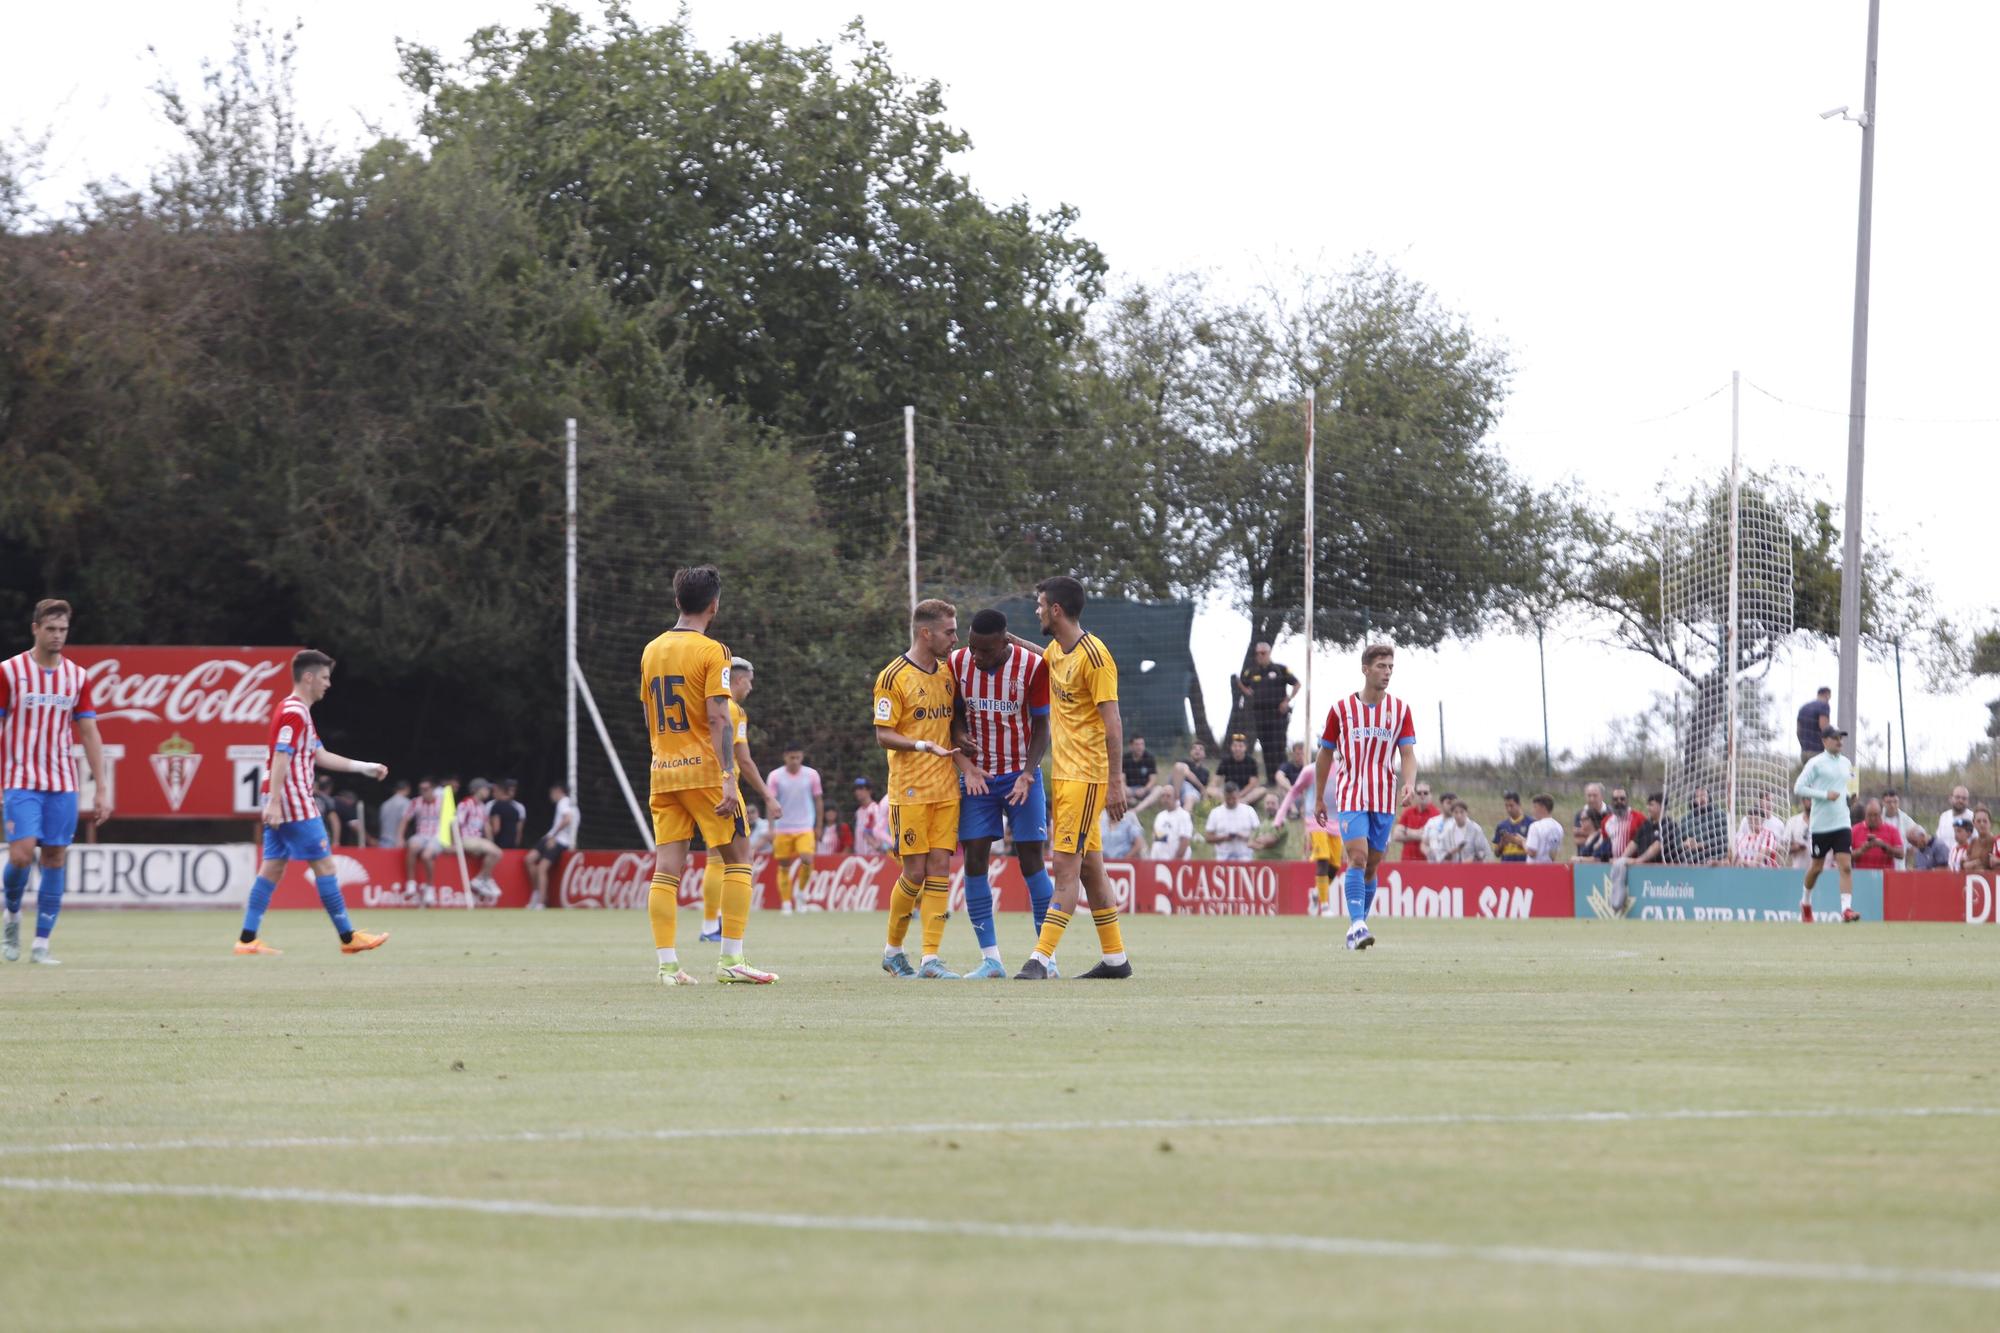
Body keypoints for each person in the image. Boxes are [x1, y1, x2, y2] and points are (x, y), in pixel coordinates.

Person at [639, 565, 775, 985]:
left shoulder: (651, 650)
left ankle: (667, 966)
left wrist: (666, 755)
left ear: (678, 601)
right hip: (704, 773)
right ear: (714, 605)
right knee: (739, 859)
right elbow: (718, 716)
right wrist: (729, 776)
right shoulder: (713, 651)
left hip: (663, 772)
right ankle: (731, 961)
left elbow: (648, 714)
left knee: (666, 870)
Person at [232, 649, 390, 956]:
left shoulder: (298, 711)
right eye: (325, 677)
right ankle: (348, 938)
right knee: (325, 864)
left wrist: (364, 767)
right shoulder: (294, 711)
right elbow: (281, 754)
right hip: (292, 798)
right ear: (308, 677)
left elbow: (319, 755)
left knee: (273, 867)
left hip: (282, 796)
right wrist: (276, 802)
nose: (328, 684)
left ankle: (247, 939)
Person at [1015, 575, 1132, 980]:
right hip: (1064, 778)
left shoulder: (1095, 657)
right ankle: (1115, 959)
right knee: (1090, 869)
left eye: (1039, 604)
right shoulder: (1057, 649)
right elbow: (1045, 660)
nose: (1037, 610)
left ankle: (1040, 960)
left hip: (1086, 777)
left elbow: (1113, 722)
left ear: (1056, 611)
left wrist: (1116, 780)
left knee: (1064, 867)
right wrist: (1010, 641)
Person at [874, 598, 981, 979]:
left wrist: (961, 740)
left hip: (946, 788)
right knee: (914, 872)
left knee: (940, 870)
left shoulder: (948, 673)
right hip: (910, 790)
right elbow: (883, 734)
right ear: (926, 632)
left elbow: (951, 721)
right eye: (949, 632)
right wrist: (922, 745)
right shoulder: (892, 677)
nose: (955, 638)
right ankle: (893, 951)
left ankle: (930, 959)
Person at [1, 601, 111, 965]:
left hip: (62, 781)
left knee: (55, 856)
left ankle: (41, 945)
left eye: (63, 630)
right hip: (20, 779)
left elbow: (90, 731)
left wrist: (103, 786)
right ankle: (12, 917)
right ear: (35, 629)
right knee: (21, 852)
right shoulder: (10, 671)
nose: (57, 636)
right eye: (51, 629)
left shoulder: (78, 677)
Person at [949, 607, 1056, 977]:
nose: (976, 656)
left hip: (1020, 776)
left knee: (1031, 860)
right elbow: (955, 714)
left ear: (1005, 641)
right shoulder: (958, 663)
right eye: (972, 647)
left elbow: (1042, 725)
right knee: (975, 857)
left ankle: (1046, 958)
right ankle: (991, 959)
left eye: (986, 651)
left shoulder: (1032, 666)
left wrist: (1029, 773)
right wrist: (961, 739)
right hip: (978, 776)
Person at [1311, 643, 1418, 952]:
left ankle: (1356, 927)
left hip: (1384, 797)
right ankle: (1358, 924)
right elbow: (1325, 755)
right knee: (1356, 857)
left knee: (1371, 866)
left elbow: (1408, 754)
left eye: (1390, 667)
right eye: (1382, 666)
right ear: (1366, 669)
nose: (1387, 673)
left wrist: (1409, 783)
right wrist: (1319, 797)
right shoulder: (1341, 709)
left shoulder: (1400, 710)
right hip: (1351, 794)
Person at [701, 655, 782, 941]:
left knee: (714, 857)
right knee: (740, 859)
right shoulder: (734, 711)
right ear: (737, 680)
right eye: (749, 682)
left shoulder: (707, 703)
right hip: (724, 784)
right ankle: (717, 928)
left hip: (697, 781)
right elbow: (744, 761)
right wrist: (768, 796)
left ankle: (710, 924)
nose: (750, 687)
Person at [1794, 725, 1860, 923]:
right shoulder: (1816, 763)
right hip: (1821, 825)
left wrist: (1852, 796)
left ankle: (1846, 910)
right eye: (1835, 737)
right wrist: (1824, 795)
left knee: (1846, 866)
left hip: (1842, 822)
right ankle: (1805, 903)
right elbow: (1799, 788)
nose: (1839, 741)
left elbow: (1851, 787)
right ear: (1824, 741)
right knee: (1817, 868)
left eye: (1841, 737)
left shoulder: (1847, 763)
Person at [1273, 761, 1343, 917]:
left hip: (1336, 821)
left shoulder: (1342, 768)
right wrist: (1279, 817)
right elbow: (1294, 792)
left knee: (1335, 865)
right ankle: (1324, 906)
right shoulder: (1310, 770)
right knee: (1323, 858)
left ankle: (1317, 893)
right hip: (1315, 819)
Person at [764, 744, 822, 916]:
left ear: (802, 757)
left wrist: (818, 825)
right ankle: (786, 902)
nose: (795, 761)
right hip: (783, 827)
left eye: (798, 757)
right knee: (783, 864)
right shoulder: (775, 776)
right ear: (785, 757)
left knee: (807, 858)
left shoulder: (811, 775)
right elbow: (770, 802)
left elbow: (818, 800)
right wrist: (770, 827)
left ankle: (802, 893)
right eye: (791, 758)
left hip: (805, 826)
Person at [1235, 641, 1300, 781]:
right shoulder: (1251, 671)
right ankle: (1271, 779)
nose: (1260, 656)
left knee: (1279, 745)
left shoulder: (1280, 669)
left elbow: (1297, 683)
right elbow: (1241, 683)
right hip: (1260, 715)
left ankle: (1283, 779)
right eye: (1257, 653)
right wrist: (1247, 692)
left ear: (1269, 653)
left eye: (1263, 653)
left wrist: (1287, 700)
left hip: (1278, 714)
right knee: (1266, 746)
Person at [524, 783, 579, 910]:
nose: (551, 796)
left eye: (551, 793)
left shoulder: (564, 802)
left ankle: (541, 902)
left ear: (558, 791)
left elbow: (567, 819)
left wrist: (554, 836)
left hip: (560, 840)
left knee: (542, 868)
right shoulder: (571, 804)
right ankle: (537, 893)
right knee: (529, 859)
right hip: (551, 837)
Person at [454, 778, 503, 902]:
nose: (488, 791)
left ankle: (484, 878)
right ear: (477, 790)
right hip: (467, 838)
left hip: (477, 840)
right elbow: (456, 824)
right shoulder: (465, 803)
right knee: (497, 852)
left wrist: (491, 843)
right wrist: (455, 843)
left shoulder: (482, 806)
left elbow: (486, 827)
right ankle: (480, 880)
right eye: (485, 789)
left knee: (494, 852)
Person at [400, 778, 445, 907]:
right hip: (421, 835)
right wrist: (400, 837)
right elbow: (405, 820)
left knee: (426, 855)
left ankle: (430, 888)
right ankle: (411, 883)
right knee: (412, 846)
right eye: (421, 789)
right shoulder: (416, 802)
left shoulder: (442, 802)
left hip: (437, 837)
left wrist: (451, 841)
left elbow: (450, 823)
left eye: (426, 789)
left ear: (433, 790)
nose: (423, 792)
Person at [1203, 781, 1260, 861]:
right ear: (1224, 796)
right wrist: (1224, 838)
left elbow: (1259, 835)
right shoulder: (1215, 812)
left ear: (1238, 795)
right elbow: (1208, 838)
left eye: (1233, 798)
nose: (1231, 801)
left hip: (1245, 856)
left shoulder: (1249, 810)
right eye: (1228, 798)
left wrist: (1243, 837)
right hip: (1223, 857)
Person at [1731, 791, 1785, 868]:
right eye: (1750, 819)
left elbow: (1758, 860)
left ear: (1762, 820)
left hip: (1764, 875)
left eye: (1756, 819)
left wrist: (1745, 863)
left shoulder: (1768, 835)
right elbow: (1735, 859)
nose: (1753, 822)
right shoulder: (1743, 837)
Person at [1850, 798, 1904, 871]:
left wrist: (1883, 846)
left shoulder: (1892, 830)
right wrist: (1862, 849)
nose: (1872, 818)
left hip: (1885, 877)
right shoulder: (1854, 830)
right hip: (1861, 877)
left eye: (1876, 815)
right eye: (1869, 815)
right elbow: (1846, 857)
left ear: (1881, 814)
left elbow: (1901, 854)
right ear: (1865, 814)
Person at [1678, 786, 1727, 866]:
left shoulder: (1720, 816)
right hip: (1689, 863)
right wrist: (1685, 843)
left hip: (1713, 862)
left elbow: (1724, 840)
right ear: (1693, 800)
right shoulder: (1685, 819)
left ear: (1709, 798)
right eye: (1698, 796)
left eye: (1704, 795)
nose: (1702, 799)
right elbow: (1676, 842)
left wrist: (1702, 845)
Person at [1213, 734, 1266, 805]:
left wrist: (1239, 795)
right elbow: (1215, 780)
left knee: (1262, 790)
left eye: (1240, 746)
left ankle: (1235, 803)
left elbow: (1252, 784)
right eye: (1235, 746)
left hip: (1245, 793)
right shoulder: (1225, 761)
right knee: (1210, 790)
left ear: (1245, 748)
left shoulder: (1251, 761)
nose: (1237, 748)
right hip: (1229, 792)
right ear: (1231, 747)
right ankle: (1234, 802)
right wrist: (1213, 788)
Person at [1392, 782, 1439, 862]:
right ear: (1415, 795)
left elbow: (1435, 837)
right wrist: (1420, 834)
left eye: (1425, 793)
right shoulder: (1408, 812)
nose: (1422, 795)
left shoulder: (1436, 814)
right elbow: (1396, 836)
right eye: (1419, 793)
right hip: (1407, 860)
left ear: (1431, 795)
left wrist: (1407, 831)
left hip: (1427, 861)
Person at [1123, 736, 1167, 815]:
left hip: (1145, 790)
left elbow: (1153, 779)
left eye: (1142, 744)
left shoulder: (1150, 757)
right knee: (1115, 787)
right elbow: (1121, 778)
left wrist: (1144, 789)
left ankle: (1136, 809)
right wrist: (1126, 788)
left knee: (1159, 789)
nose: (1140, 747)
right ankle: (1132, 801)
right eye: (1137, 744)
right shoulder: (1125, 758)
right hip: (1130, 790)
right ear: (1131, 746)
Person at [1880, 790, 1922, 870]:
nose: (1892, 805)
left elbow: (1917, 840)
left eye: (1895, 802)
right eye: (1889, 802)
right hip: (1881, 865)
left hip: (1899, 866)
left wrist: (1908, 861)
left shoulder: (1906, 820)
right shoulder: (1878, 818)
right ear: (1883, 803)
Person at [852, 777, 892, 856]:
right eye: (856, 789)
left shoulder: (876, 809)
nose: (857, 792)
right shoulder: (858, 812)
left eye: (861, 788)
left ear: (869, 790)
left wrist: (879, 847)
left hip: (874, 856)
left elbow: (882, 831)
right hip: (859, 856)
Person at [1169, 741, 1211, 811]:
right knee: (1180, 766)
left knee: (1190, 797)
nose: (1197, 750)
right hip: (1177, 787)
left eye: (1200, 749)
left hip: (1192, 793)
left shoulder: (1205, 772)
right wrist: (1201, 787)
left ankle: (1184, 817)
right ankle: (1176, 800)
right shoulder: (1184, 762)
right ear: (1190, 752)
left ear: (1204, 754)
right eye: (1194, 748)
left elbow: (1204, 791)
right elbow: (1181, 770)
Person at [1492, 791, 1532, 863]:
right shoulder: (1501, 825)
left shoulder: (1531, 823)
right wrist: (1502, 843)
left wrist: (1519, 842)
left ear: (1519, 804)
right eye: (1506, 806)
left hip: (1525, 867)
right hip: (1506, 868)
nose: (1509, 809)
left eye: (1511, 805)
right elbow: (1496, 853)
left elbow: (1535, 849)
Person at [1524, 795, 1565, 863]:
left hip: (1535, 869)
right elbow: (1555, 854)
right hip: (1550, 868)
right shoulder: (1559, 827)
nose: (1532, 811)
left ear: (1542, 808)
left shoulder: (1535, 826)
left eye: (1535, 807)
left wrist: (1522, 842)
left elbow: (1532, 852)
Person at [1149, 796, 1193, 861]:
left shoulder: (1183, 815)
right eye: (1163, 796)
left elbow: (1184, 840)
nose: (1165, 799)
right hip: (1158, 860)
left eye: (1168, 796)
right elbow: (1155, 837)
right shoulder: (1160, 816)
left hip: (1176, 862)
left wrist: (1175, 861)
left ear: (1175, 798)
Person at [488, 779, 526, 850]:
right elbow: (518, 830)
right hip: (511, 845)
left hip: (498, 845)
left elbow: (496, 828)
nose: (493, 794)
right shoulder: (515, 809)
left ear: (501, 791)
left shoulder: (496, 806)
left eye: (495, 792)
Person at [375, 778, 412, 851]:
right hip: (397, 842)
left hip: (383, 840)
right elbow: (405, 820)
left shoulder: (385, 804)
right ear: (407, 789)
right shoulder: (406, 803)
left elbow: (381, 823)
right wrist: (400, 838)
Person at [1796, 687, 1832, 760]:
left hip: (1804, 753)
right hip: (1817, 752)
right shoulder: (1824, 705)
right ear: (1827, 695)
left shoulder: (1803, 708)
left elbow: (1798, 731)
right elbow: (1824, 728)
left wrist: (1804, 746)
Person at [1783, 795, 1814, 871]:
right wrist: (1795, 847)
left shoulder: (1824, 823)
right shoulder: (1792, 821)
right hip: (1797, 872)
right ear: (1803, 801)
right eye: (1809, 798)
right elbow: (1783, 850)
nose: (1812, 802)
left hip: (1820, 873)